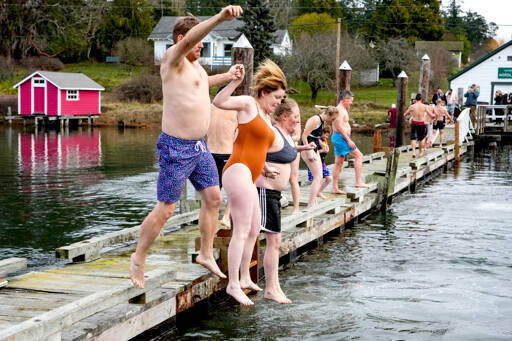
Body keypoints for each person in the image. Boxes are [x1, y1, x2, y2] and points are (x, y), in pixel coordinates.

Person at [129, 6, 244, 289]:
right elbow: (194, 38)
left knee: (214, 198)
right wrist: (219, 18)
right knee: (167, 208)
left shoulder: (195, 67)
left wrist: (229, 76)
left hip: (198, 148)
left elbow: (202, 83)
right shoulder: (172, 60)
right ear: (182, 39)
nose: (202, 46)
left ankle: (205, 253)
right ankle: (138, 257)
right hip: (175, 147)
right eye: (197, 42)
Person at [212, 59, 286, 306]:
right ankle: (233, 284)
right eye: (276, 97)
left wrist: (265, 167)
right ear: (264, 92)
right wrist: (235, 82)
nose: (279, 102)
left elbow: (254, 146)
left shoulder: (265, 118)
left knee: (254, 229)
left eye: (281, 99)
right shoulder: (248, 104)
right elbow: (218, 102)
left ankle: (245, 277)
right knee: (241, 230)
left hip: (251, 173)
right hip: (237, 171)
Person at [256, 98, 315, 304]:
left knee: (274, 241)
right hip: (264, 190)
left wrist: (305, 148)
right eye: (296, 117)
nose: (299, 121)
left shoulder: (287, 136)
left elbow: (287, 152)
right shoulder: (272, 132)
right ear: (284, 117)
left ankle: (274, 286)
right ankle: (269, 288)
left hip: (275, 195)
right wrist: (264, 166)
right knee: (271, 240)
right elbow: (254, 149)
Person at [331, 90, 370, 193]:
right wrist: (348, 140)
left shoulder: (341, 109)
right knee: (359, 156)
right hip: (341, 138)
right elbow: (338, 126)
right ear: (345, 99)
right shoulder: (339, 110)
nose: (351, 103)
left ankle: (334, 188)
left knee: (339, 162)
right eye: (351, 101)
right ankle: (358, 182)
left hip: (340, 137)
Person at [207, 102, 237, 228]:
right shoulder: (234, 110)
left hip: (209, 154)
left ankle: (210, 220)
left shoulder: (208, 108)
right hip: (227, 154)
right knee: (233, 189)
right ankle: (226, 216)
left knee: (212, 191)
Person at [301, 106, 338, 207]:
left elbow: (315, 136)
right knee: (318, 177)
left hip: (315, 147)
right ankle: (311, 203)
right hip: (308, 149)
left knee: (319, 176)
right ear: (329, 115)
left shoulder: (322, 121)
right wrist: (308, 151)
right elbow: (304, 135)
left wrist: (321, 143)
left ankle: (313, 200)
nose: (332, 121)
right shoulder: (315, 119)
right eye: (333, 118)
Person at [307, 125, 332, 199]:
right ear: (322, 132)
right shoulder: (316, 140)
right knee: (317, 179)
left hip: (322, 163)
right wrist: (322, 151)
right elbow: (313, 151)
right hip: (315, 162)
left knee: (329, 178)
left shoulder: (323, 140)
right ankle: (313, 196)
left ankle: (319, 192)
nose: (327, 137)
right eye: (326, 135)